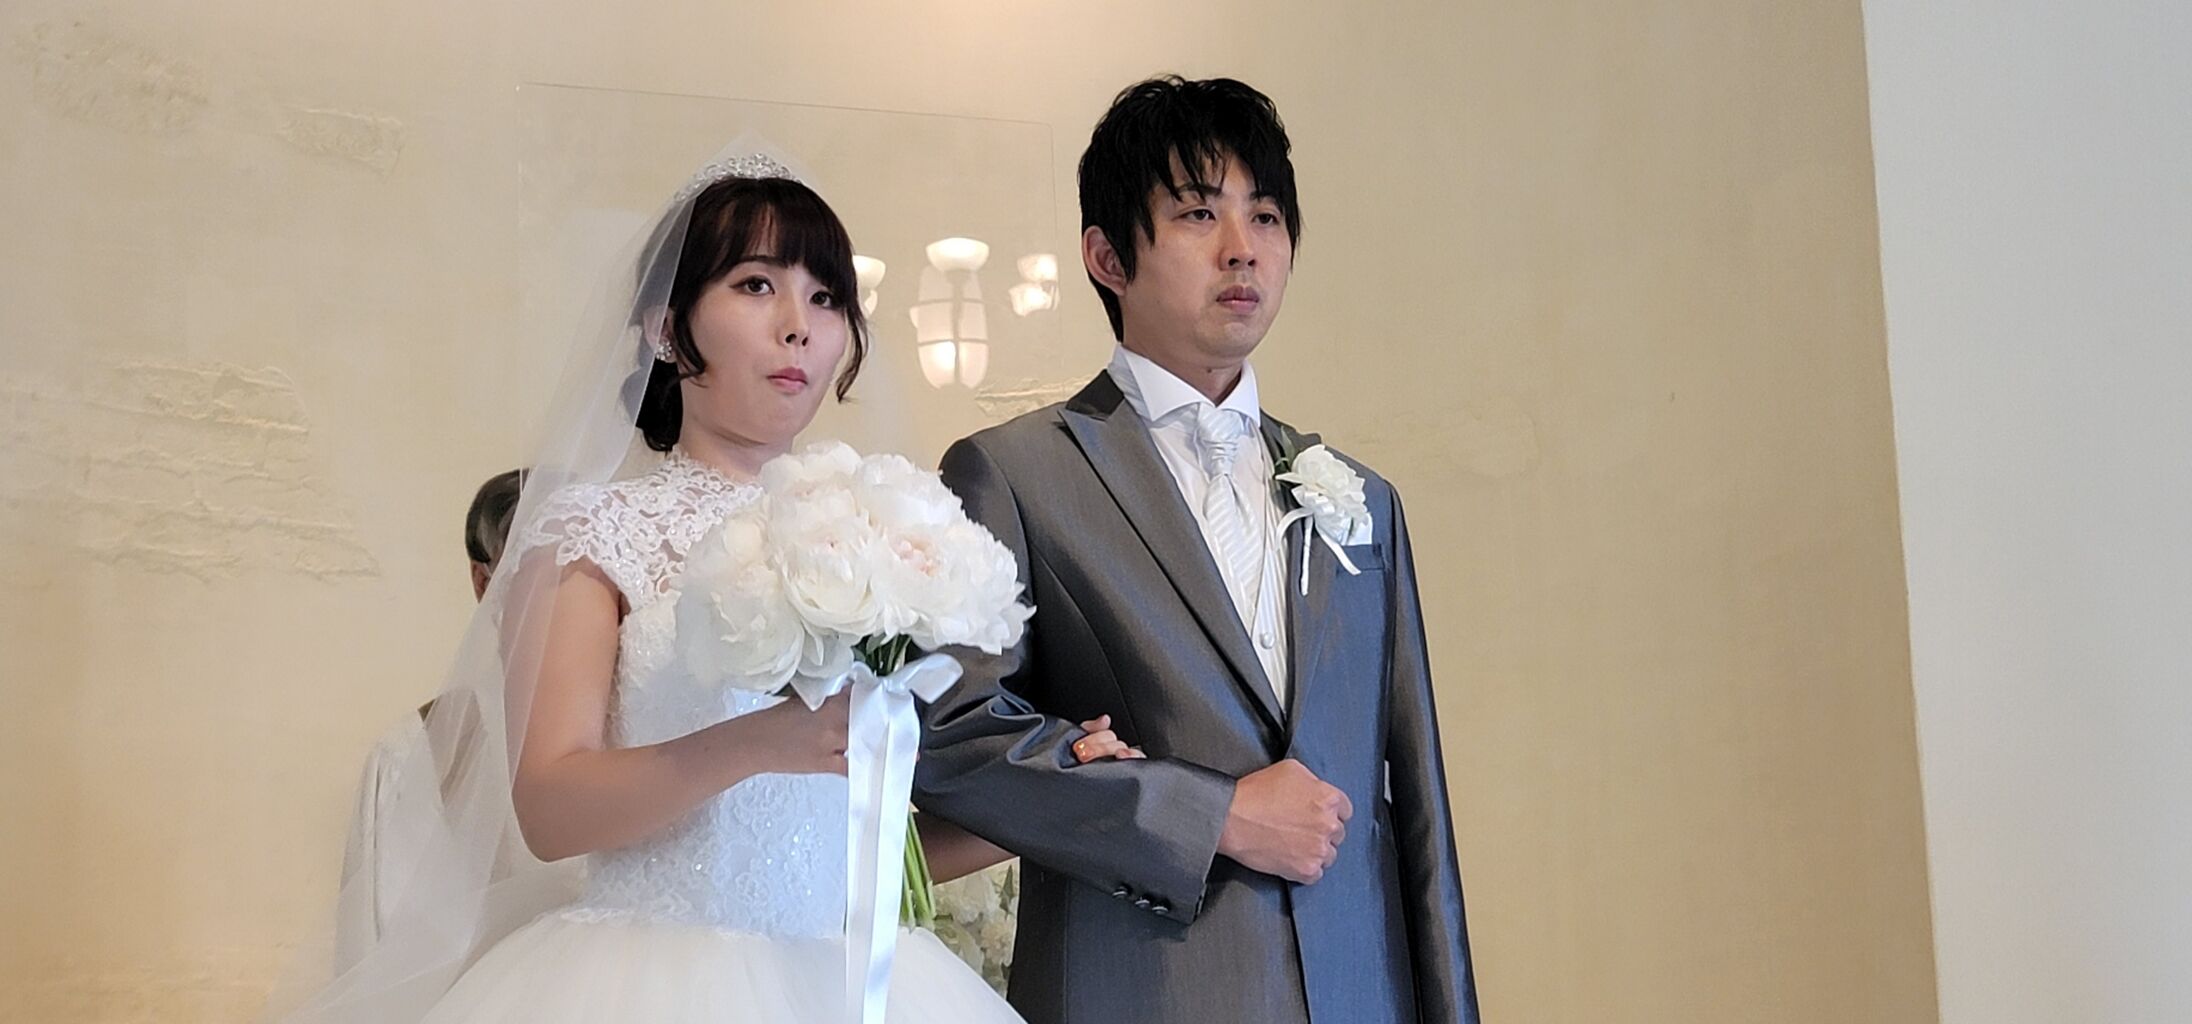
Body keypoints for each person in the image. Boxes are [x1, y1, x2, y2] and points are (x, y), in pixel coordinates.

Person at [272, 150, 1133, 1024]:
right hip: (643, 980)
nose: (798, 326)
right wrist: (758, 741)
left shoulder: (876, 539)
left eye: (825, 298)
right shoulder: (592, 532)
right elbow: (548, 810)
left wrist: (1049, 792)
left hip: (852, 982)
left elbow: (861, 848)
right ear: (667, 328)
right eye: (756, 285)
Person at [914, 76, 1482, 1024]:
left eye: (1266, 216)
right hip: (1142, 992)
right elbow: (952, 743)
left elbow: (1418, 808)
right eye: (1196, 213)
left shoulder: (1363, 500)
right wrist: (1210, 815)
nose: (1242, 247)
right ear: (1107, 256)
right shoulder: (1011, 474)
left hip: (1361, 994)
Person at [332, 469, 529, 973]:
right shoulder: (413, 754)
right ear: (483, 582)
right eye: (533, 571)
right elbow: (379, 958)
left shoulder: (656, 731)